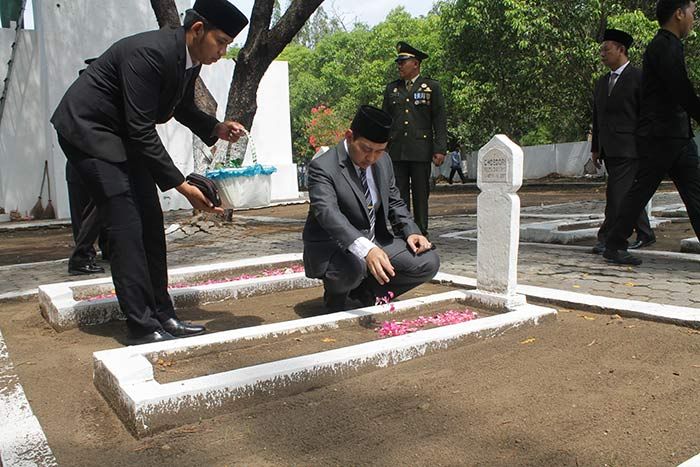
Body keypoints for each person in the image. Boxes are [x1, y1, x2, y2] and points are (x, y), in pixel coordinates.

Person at [51, 0, 249, 345]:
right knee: (127, 225)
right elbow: (142, 129)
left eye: (228, 45)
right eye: (220, 41)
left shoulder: (189, 61)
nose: (222, 51)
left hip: (124, 135)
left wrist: (216, 127)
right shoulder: (151, 53)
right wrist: (181, 185)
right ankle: (142, 325)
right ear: (198, 29)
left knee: (150, 224)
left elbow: (182, 106)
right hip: (89, 130)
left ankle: (164, 314)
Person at [303, 105, 440, 312]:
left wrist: (412, 232)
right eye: (366, 149)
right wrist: (366, 250)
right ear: (350, 137)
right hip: (334, 246)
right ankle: (335, 294)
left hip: (376, 239)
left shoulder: (383, 161)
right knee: (354, 267)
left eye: (379, 150)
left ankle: (367, 293)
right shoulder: (323, 167)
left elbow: (394, 201)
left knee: (428, 262)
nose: (372, 158)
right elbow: (328, 213)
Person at [603, 0, 700, 265]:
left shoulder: (670, 45)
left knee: (695, 192)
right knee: (641, 191)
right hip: (662, 135)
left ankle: (614, 242)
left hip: (675, 134)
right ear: (678, 14)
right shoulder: (664, 46)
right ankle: (614, 242)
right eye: (692, 12)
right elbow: (680, 88)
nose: (694, 18)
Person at [590, 28, 655, 255]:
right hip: (610, 148)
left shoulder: (639, 78)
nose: (602, 54)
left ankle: (607, 237)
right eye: (601, 50)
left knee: (616, 194)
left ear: (621, 50)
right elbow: (597, 118)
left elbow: (647, 114)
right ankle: (646, 233)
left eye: (606, 49)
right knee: (628, 193)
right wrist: (595, 148)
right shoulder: (601, 83)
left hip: (630, 148)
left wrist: (646, 144)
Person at [382, 41, 447, 237]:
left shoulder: (431, 87)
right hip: (397, 150)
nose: (399, 66)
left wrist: (440, 148)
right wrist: (381, 147)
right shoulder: (392, 89)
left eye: (403, 62)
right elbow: (385, 119)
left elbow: (439, 118)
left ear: (416, 64)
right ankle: (402, 233)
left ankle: (420, 233)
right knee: (397, 194)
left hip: (421, 149)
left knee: (420, 194)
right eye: (398, 62)